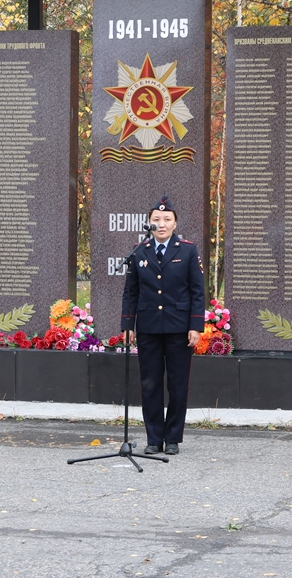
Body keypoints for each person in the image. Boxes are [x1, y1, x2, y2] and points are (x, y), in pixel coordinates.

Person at [121, 195, 205, 456]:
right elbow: (130, 292)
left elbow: (197, 291)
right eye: (156, 219)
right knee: (150, 384)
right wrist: (128, 324)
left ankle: (172, 439)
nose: (162, 223)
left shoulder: (188, 250)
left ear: (175, 223)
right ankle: (154, 438)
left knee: (178, 385)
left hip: (179, 328)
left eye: (167, 219)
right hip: (148, 328)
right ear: (149, 223)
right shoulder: (139, 251)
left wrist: (196, 325)